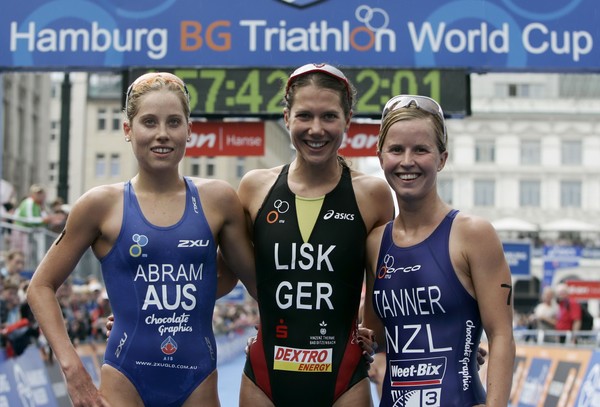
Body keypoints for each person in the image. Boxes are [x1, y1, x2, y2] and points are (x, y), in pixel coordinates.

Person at [27, 72, 256, 407]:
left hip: (198, 380)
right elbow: (40, 286)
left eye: (174, 122)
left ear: (189, 129)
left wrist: (274, 338)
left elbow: (248, 282)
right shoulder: (99, 205)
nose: (162, 134)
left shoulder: (219, 200)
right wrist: (72, 369)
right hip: (126, 377)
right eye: (149, 122)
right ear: (127, 130)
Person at [238, 63, 395, 406]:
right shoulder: (254, 188)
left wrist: (457, 338)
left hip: (343, 377)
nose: (316, 129)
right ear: (286, 118)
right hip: (265, 376)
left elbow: (388, 282)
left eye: (329, 117)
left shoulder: (373, 195)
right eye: (304, 116)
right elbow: (217, 272)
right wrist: (137, 317)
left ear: (347, 120)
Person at [362, 95, 515, 406]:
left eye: (421, 150)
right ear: (381, 158)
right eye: (396, 150)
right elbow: (375, 337)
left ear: (442, 158)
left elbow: (501, 336)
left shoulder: (473, 234)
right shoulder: (375, 242)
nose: (407, 161)